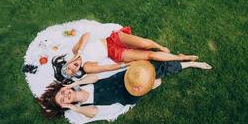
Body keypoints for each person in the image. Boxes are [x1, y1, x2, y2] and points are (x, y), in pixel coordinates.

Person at [38, 60, 212, 118]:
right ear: (65, 106)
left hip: (124, 77)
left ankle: (190, 63)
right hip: (129, 94)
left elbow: (94, 77)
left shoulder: (81, 83)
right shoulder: (82, 107)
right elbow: (94, 113)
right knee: (152, 81)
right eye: (63, 99)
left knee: (156, 69)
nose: (65, 94)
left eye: (62, 92)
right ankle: (152, 84)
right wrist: (72, 107)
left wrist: (73, 84)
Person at [59, 27, 199, 79]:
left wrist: (80, 52)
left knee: (146, 44)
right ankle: (182, 57)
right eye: (73, 71)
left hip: (113, 39)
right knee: (151, 56)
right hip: (115, 53)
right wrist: (126, 65)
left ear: (69, 62)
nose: (73, 68)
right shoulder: (87, 67)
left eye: (69, 67)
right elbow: (107, 68)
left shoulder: (75, 50)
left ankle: (160, 46)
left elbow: (86, 35)